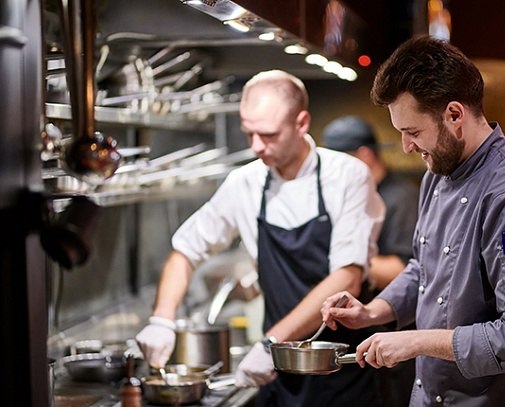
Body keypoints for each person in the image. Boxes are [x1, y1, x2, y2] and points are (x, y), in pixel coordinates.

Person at [319, 35, 505, 407]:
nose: (406, 146)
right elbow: (424, 269)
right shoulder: (436, 174)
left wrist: (416, 341)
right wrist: (373, 312)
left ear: (454, 115)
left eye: (413, 132)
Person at [135, 69, 385, 407]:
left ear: (302, 123)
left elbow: (346, 278)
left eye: (268, 134)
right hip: (276, 369)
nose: (255, 146)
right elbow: (185, 250)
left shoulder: (348, 176)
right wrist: (161, 319)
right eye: (249, 133)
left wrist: (271, 343)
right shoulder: (245, 183)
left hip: (339, 365)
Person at [322, 115, 420, 406]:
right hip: (369, 337)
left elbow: (405, 269)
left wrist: (348, 260)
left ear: (364, 156)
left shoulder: (402, 198)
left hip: (399, 339)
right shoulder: (354, 198)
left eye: (340, 162)